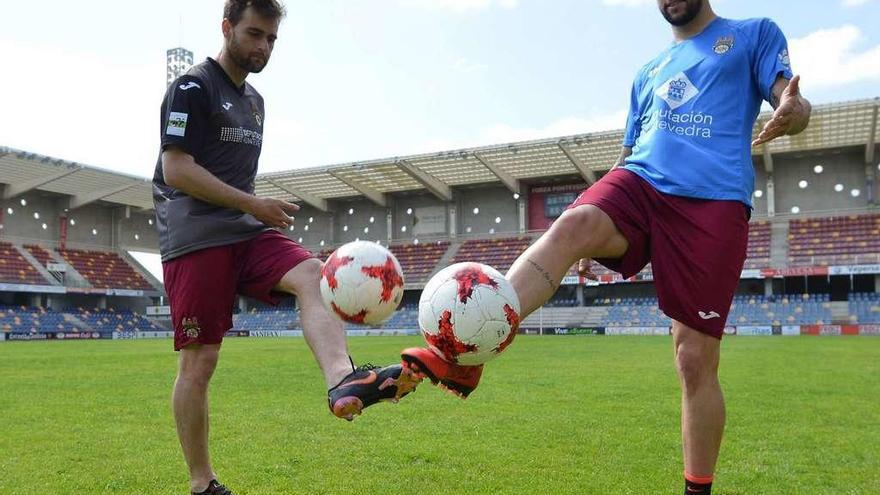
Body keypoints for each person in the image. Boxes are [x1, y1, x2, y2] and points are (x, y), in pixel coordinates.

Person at [401, 1, 811, 493]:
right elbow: (629, 151)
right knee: (574, 224)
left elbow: (788, 97)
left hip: (713, 200)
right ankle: (463, 352)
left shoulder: (752, 34)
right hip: (641, 179)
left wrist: (797, 110)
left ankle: (696, 489)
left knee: (693, 359)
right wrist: (597, 225)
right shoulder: (648, 72)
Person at [154, 2, 420, 493]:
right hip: (194, 235)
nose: (263, 47)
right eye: (254, 34)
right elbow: (177, 169)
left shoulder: (254, 101)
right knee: (200, 361)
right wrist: (253, 205)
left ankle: (342, 379)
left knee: (314, 273)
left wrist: (250, 212)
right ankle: (201, 483)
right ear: (227, 27)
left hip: (245, 231)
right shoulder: (192, 86)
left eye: (271, 40)